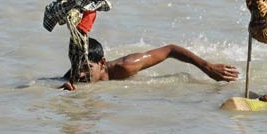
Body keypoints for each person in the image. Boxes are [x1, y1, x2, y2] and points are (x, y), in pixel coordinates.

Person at [61, 38, 239, 90]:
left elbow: (171, 49)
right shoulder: (75, 74)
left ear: (102, 64)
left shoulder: (125, 66)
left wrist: (207, 67)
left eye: (87, 68)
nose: (81, 75)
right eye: (77, 69)